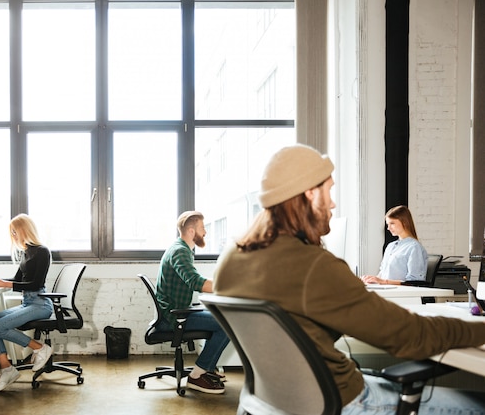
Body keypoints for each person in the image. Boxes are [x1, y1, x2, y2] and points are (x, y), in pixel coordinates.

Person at [213, 144, 485, 414]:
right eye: (328, 190)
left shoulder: (230, 260)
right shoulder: (312, 265)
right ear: (309, 193)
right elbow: (408, 335)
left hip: (275, 401)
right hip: (340, 400)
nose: (332, 202)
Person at [156, 211, 230, 394]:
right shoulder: (180, 251)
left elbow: (195, 280)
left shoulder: (181, 249)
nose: (205, 232)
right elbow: (197, 283)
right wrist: (233, 285)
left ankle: (206, 369)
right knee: (229, 323)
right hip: (174, 318)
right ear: (191, 230)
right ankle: (197, 375)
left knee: (223, 318)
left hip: (178, 312)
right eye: (202, 228)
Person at [0, 213, 54, 393]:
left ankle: (41, 348)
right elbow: (16, 280)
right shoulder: (25, 253)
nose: (13, 236)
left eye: (15, 232)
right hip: (27, 303)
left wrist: (6, 284)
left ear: (24, 230)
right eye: (11, 233)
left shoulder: (42, 251)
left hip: (40, 304)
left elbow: (36, 283)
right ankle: (7, 370)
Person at [361, 205, 427, 285]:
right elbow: (382, 274)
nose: (388, 228)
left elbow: (414, 281)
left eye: (392, 223)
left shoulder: (414, 247)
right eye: (387, 224)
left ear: (405, 222)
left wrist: (383, 281)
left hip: (401, 294)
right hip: (387, 291)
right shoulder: (390, 246)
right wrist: (371, 280)